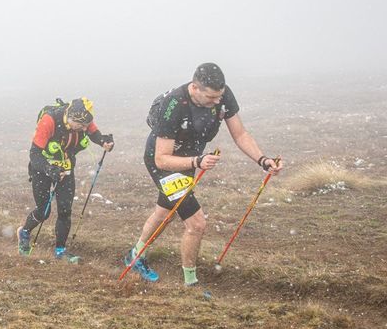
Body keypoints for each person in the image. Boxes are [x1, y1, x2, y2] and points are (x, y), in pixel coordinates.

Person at [125, 63, 283, 287]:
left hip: (189, 160)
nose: (217, 102)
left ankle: (135, 256)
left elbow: (240, 134)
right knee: (196, 224)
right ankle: (191, 283)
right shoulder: (174, 105)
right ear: (195, 88)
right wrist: (197, 161)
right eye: (211, 98)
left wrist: (263, 160)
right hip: (164, 163)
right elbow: (162, 158)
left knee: (164, 212)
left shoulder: (222, 94)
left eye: (219, 97)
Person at [17, 98, 114, 261]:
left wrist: (104, 141)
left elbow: (94, 133)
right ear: (71, 118)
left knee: (65, 210)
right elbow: (34, 154)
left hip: (66, 169)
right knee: (43, 211)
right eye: (81, 125)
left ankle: (60, 251)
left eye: (85, 125)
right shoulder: (49, 121)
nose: (84, 129)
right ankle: (24, 232)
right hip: (42, 169)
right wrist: (50, 169)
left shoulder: (83, 118)